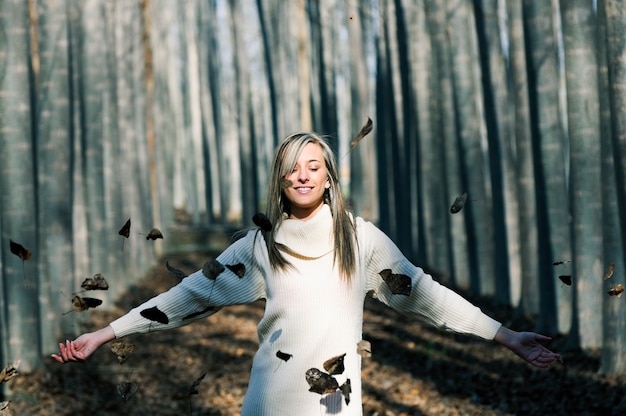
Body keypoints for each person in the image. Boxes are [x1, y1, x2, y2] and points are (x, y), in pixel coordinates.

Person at [53, 132, 562, 415]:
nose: (302, 174)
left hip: (334, 408)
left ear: (329, 177)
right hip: (268, 403)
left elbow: (427, 297)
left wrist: (505, 335)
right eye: (293, 166)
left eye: (313, 166)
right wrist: (106, 333)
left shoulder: (362, 240)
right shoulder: (259, 246)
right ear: (280, 176)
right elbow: (185, 297)